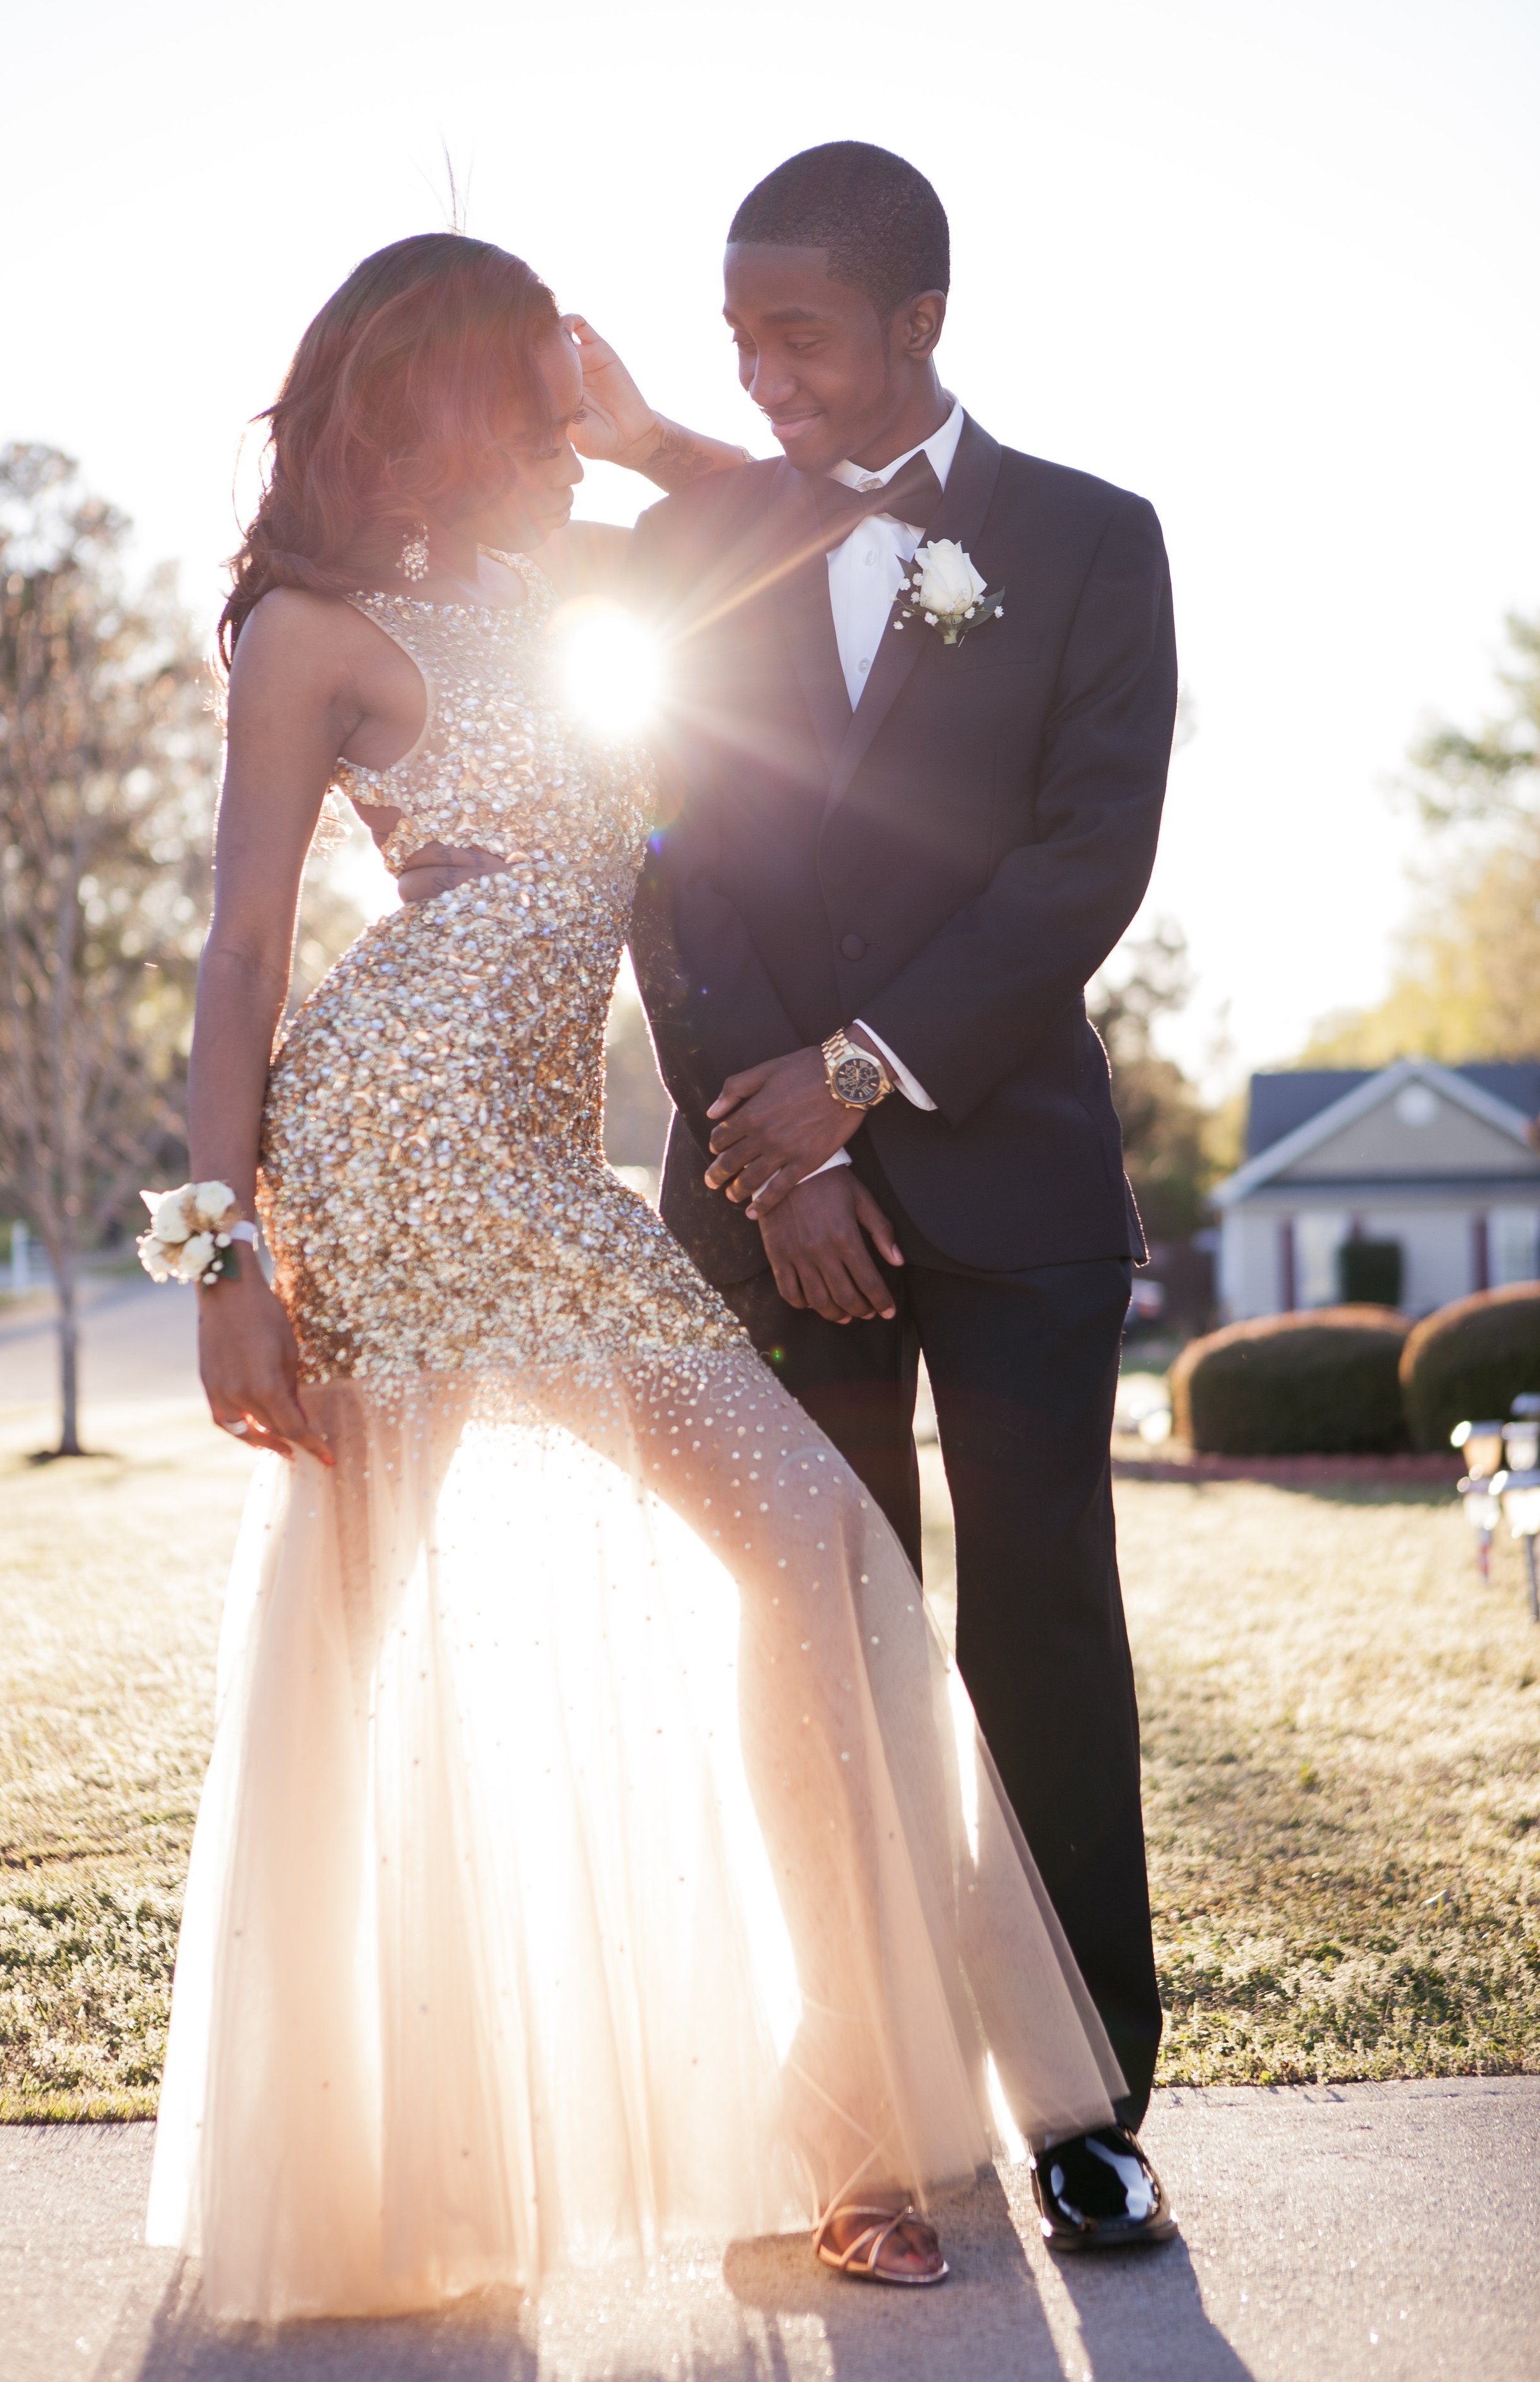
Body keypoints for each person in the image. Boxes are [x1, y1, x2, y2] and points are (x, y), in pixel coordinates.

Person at [144, 230, 1129, 2329]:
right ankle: (358, 2180)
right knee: (361, 1645)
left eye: (543, 384)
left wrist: (645, 424)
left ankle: (846, 2134)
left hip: (550, 1171)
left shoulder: (594, 582)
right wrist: (224, 1251)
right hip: (380, 1160)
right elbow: (239, 952)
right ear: (416, 404)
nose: (536, 421)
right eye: (508, 385)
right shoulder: (312, 627)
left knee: (809, 1549)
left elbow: (782, 532)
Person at [629, 142, 1179, 2251]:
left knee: (1038, 1634)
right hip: (769, 1200)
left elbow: (1083, 860)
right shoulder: (692, 546)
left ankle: (1083, 2102)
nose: (760, 373)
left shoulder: (1087, 539)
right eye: (736, 335)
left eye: (798, 332)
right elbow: (667, 854)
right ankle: (861, 2110)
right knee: (820, 1652)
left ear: (919, 325)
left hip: (1013, 1178)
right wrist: (771, 1157)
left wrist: (854, 1083)